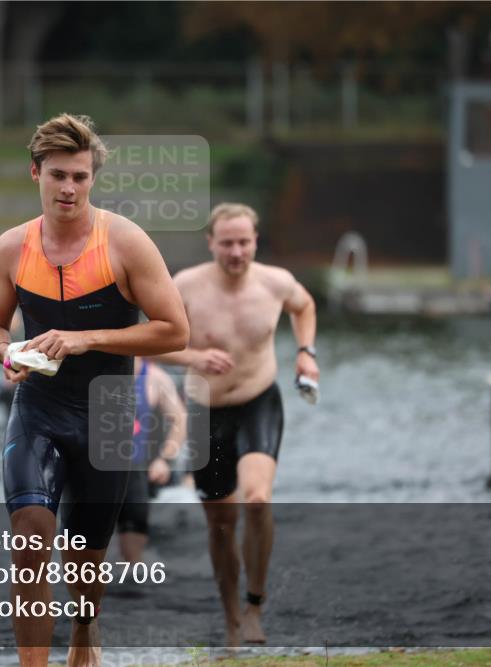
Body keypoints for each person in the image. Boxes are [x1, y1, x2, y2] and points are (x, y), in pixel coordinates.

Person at [0, 113, 189, 667]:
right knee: (29, 537)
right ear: (35, 174)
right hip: (39, 409)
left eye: (80, 176)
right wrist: (7, 353)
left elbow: (174, 330)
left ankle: (85, 628)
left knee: (85, 558)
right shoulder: (11, 248)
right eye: (58, 176)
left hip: (109, 412)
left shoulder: (125, 242)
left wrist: (85, 337)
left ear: (92, 178)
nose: (69, 188)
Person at [154, 202, 319, 647]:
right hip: (206, 411)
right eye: (226, 242)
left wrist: (306, 352)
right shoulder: (184, 286)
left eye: (244, 241)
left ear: (255, 241)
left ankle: (254, 607)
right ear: (211, 243)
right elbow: (147, 341)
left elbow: (304, 307)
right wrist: (192, 356)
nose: (236, 251)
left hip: (258, 402)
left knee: (259, 501)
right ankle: (230, 619)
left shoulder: (276, 282)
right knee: (221, 524)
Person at [115, 357, 187, 564]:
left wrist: (164, 459)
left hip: (141, 467)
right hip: (100, 467)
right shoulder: (95, 372)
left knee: (131, 554)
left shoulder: (156, 378)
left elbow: (181, 420)